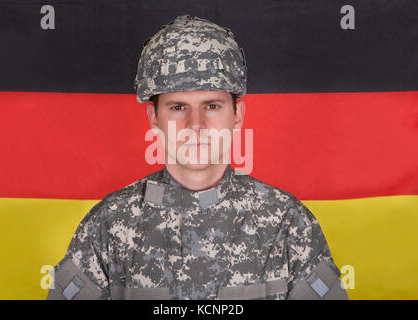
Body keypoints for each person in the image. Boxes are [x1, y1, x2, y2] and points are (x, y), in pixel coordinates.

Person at [46, 14, 348, 300]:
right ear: (154, 117)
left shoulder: (288, 224)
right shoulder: (109, 225)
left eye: (212, 106)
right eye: (178, 107)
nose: (196, 124)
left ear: (237, 114)